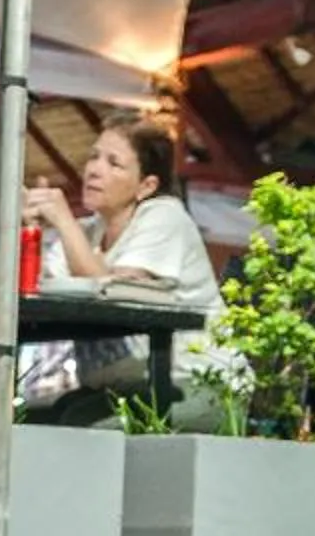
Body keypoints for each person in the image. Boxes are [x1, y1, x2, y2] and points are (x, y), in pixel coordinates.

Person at [20, 116, 220, 417]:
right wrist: (26, 227)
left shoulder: (165, 218)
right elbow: (33, 287)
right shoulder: (87, 232)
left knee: (75, 423)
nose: (95, 170)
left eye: (114, 163)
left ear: (146, 185)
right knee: (33, 417)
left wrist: (63, 220)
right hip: (123, 388)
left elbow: (107, 293)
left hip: (194, 384)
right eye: (94, 156)